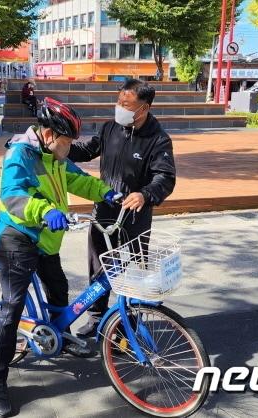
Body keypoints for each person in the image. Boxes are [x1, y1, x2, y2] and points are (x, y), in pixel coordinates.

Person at [0, 97, 118, 417]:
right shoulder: (20, 154)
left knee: (58, 288)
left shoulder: (56, 155)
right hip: (15, 238)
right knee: (12, 307)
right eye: (67, 141)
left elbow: (76, 178)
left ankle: (62, 336)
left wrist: (107, 193)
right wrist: (45, 211)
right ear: (48, 135)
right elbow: (13, 196)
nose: (70, 146)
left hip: (45, 240)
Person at [68, 78, 177, 337]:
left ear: (145, 108)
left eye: (127, 105)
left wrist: (145, 194)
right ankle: (96, 317)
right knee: (99, 266)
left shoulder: (158, 140)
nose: (121, 108)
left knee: (132, 271)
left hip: (135, 216)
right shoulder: (110, 128)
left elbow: (165, 177)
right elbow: (87, 149)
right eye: (119, 102)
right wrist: (60, 148)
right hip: (106, 210)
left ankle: (129, 322)